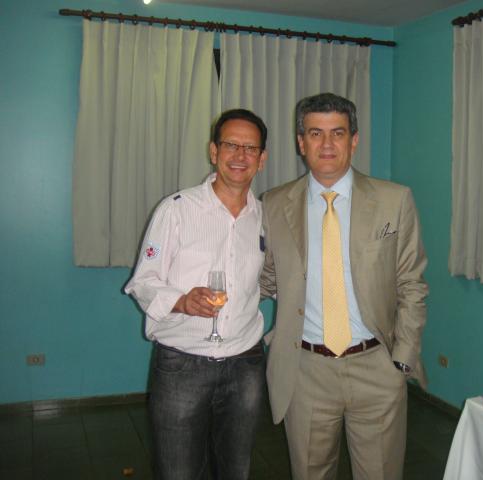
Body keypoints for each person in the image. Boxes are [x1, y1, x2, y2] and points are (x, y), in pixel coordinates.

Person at [260, 93, 429, 480]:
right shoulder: (273, 204)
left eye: (337, 133)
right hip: (306, 371)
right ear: (301, 142)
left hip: (377, 366)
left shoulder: (394, 200)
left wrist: (402, 358)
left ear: (354, 140)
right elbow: (264, 276)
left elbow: (411, 283)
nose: (327, 144)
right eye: (315, 133)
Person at [124, 109, 268, 480]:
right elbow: (143, 281)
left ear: (262, 159)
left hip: (245, 362)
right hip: (182, 364)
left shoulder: (264, 217)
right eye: (231, 145)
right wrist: (182, 300)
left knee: (236, 469)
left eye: (250, 148)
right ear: (213, 151)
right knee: (178, 471)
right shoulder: (176, 210)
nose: (240, 155)